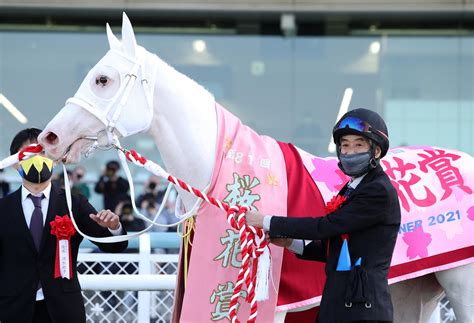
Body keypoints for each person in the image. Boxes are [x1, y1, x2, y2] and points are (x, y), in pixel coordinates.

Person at [246, 108, 401, 323]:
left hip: (362, 310)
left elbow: (325, 227)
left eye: (358, 145)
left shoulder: (377, 191)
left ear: (376, 151)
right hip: (337, 307)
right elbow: (335, 248)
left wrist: (266, 221)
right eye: (345, 145)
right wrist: (290, 243)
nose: (350, 151)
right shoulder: (352, 188)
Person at [0, 128, 128, 323]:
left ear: (56, 157)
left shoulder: (74, 203)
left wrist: (113, 226)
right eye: (30, 153)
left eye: (43, 152)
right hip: (14, 310)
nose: (38, 158)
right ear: (14, 163)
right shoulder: (3, 209)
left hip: (64, 311)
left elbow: (114, 245)